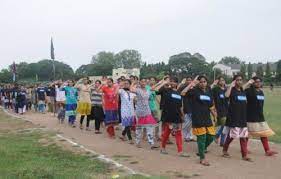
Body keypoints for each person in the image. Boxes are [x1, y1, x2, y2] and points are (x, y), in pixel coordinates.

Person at [181, 75, 217, 165]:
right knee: (202, 137)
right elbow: (183, 93)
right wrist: (192, 83)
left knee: (211, 136)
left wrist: (215, 116)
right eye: (201, 82)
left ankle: (202, 149)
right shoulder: (194, 91)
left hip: (207, 118)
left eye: (204, 81)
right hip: (197, 118)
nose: (203, 83)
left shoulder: (209, 92)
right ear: (198, 83)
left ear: (207, 83)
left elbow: (211, 106)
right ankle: (202, 158)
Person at [222, 74, 252, 162]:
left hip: (242, 117)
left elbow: (245, 87)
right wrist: (231, 86)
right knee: (232, 136)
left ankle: (244, 155)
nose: (239, 81)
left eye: (240, 80)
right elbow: (226, 96)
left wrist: (250, 81)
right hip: (233, 116)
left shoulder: (242, 91)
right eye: (237, 80)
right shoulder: (232, 90)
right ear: (234, 81)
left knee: (243, 136)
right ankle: (224, 150)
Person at [156, 77, 188, 157]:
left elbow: (180, 106)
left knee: (178, 133)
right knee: (167, 132)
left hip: (177, 116)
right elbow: (155, 90)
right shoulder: (166, 90)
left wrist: (182, 115)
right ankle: (163, 148)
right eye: (171, 81)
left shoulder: (178, 93)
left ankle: (180, 151)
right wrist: (163, 82)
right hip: (168, 115)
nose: (173, 83)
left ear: (177, 83)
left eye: (174, 82)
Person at [245, 76, 277, 156]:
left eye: (259, 81)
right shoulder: (248, 91)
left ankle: (267, 150)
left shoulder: (261, 92)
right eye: (256, 81)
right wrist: (248, 83)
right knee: (247, 133)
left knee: (264, 133)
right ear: (253, 83)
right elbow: (241, 90)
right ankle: (244, 148)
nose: (258, 83)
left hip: (260, 116)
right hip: (250, 116)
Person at [132, 78, 158, 149]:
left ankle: (151, 143)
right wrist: (134, 82)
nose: (143, 83)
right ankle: (137, 142)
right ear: (140, 82)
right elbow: (131, 89)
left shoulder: (148, 90)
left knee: (149, 127)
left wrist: (163, 82)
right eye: (142, 82)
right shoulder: (138, 90)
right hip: (140, 111)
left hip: (147, 111)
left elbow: (155, 87)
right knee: (139, 127)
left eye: (144, 82)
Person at [212, 76, 228, 146]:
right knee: (224, 125)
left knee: (224, 126)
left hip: (226, 109)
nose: (222, 82)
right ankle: (217, 135)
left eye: (223, 80)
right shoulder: (216, 89)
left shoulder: (226, 89)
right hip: (219, 109)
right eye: (220, 80)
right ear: (218, 81)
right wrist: (214, 109)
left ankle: (222, 142)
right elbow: (210, 95)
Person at [178, 76, 195, 142]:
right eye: (188, 80)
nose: (189, 81)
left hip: (193, 108)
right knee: (186, 124)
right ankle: (186, 137)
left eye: (190, 80)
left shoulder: (193, 88)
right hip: (187, 108)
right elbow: (179, 91)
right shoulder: (184, 88)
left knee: (190, 124)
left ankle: (190, 136)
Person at [119, 79, 135, 144]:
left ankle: (123, 135)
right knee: (127, 124)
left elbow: (135, 100)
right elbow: (116, 91)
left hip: (131, 110)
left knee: (129, 124)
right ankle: (130, 139)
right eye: (124, 83)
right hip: (124, 110)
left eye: (127, 83)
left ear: (130, 84)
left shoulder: (132, 92)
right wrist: (120, 85)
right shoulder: (121, 91)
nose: (126, 84)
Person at [146, 77, 161, 141]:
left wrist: (160, 103)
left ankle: (157, 135)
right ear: (148, 81)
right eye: (151, 80)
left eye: (153, 80)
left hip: (153, 107)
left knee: (157, 121)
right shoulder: (146, 87)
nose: (152, 81)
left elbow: (155, 97)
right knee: (147, 121)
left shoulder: (154, 89)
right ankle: (145, 135)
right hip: (147, 107)